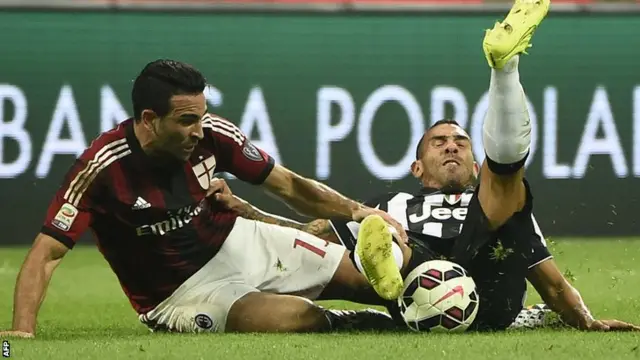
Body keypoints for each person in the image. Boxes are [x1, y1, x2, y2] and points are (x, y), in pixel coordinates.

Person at [213, 0, 640, 332]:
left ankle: (504, 66)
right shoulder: (391, 203)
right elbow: (308, 236)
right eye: (439, 143)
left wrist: (584, 318)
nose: (451, 147)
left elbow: (550, 281)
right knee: (380, 230)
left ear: (474, 163)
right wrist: (252, 213)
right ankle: (389, 262)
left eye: (461, 142)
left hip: (487, 285)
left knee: (505, 192)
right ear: (418, 168)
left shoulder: (488, 201)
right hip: (418, 277)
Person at [0, 59, 408, 338]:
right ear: (148, 120)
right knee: (294, 319)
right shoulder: (103, 168)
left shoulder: (213, 135)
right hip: (178, 294)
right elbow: (45, 254)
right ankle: (351, 322)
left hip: (236, 240)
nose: (199, 130)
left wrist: (357, 209)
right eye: (186, 120)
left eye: (201, 115)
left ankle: (445, 309)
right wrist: (23, 329)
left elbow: (289, 186)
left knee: (371, 276)